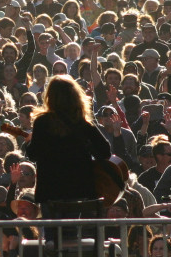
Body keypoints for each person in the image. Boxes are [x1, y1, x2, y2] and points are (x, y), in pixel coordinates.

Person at [25, 74, 112, 239]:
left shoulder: (43, 123)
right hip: (80, 191)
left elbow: (33, 154)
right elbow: (105, 151)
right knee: (75, 241)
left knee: (53, 241)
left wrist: (29, 142)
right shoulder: (81, 124)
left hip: (51, 191)